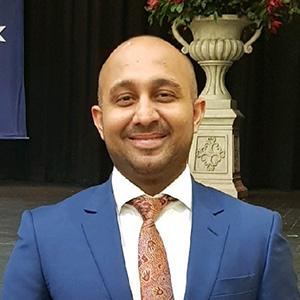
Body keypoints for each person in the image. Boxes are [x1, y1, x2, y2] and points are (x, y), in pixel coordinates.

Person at [2, 36, 299, 300]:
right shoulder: (44, 234)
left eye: (164, 95)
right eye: (125, 99)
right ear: (99, 121)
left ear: (196, 114)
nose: (144, 115)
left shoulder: (258, 233)